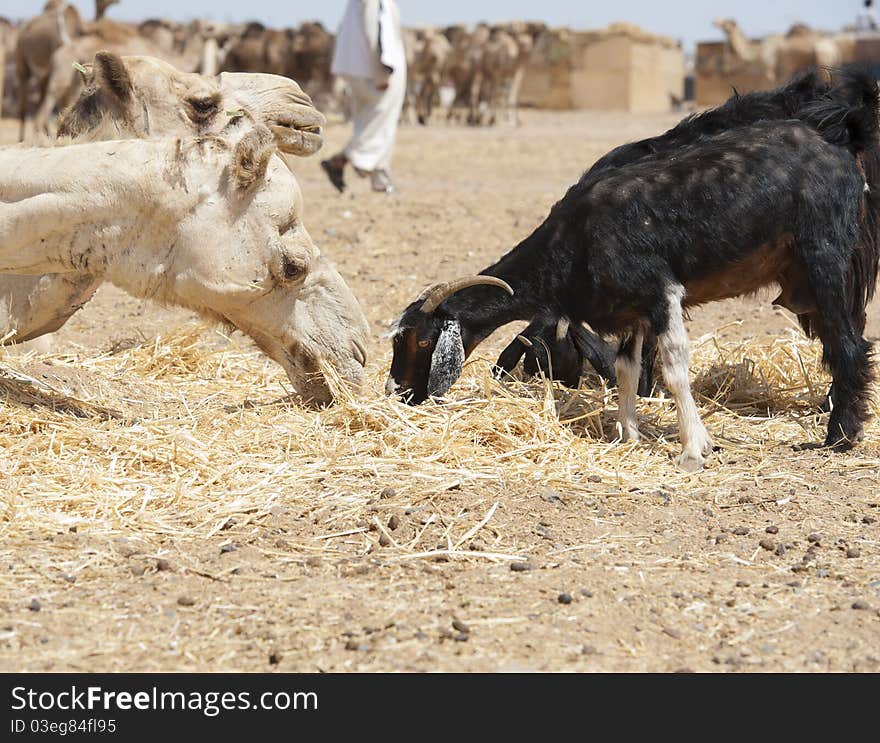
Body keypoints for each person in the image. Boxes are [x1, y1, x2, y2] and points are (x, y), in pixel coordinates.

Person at [321, 0, 407, 194]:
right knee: (379, 124)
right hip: (375, 71)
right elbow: (374, 32)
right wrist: (380, 73)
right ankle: (342, 160)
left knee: (372, 123)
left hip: (361, 70)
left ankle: (380, 179)